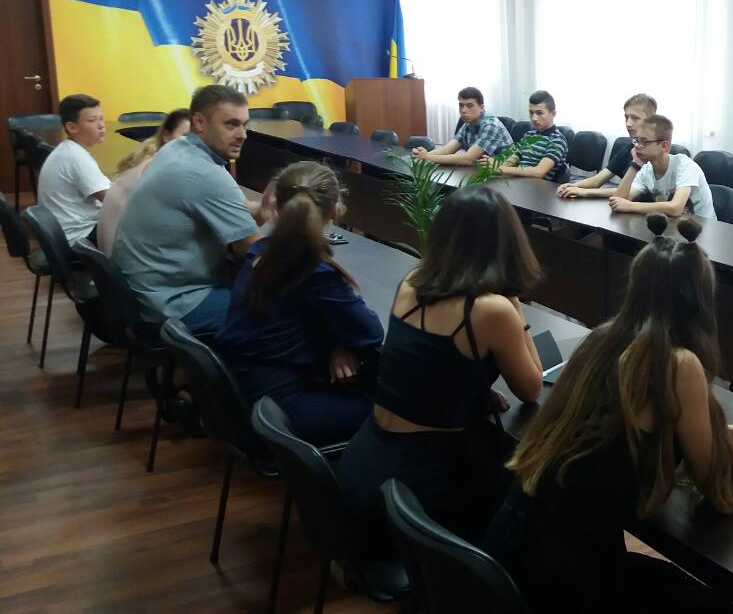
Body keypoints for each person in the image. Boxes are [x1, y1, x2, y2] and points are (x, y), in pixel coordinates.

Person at [485, 214, 733, 614]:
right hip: (564, 586)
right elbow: (718, 479)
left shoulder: (602, 339)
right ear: (699, 300)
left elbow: (631, 433)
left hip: (512, 556)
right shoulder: (677, 362)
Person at [336, 185, 544, 554]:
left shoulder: (413, 281)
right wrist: (513, 301)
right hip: (413, 487)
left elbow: (425, 361)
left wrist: (470, 383)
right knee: (529, 498)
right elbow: (531, 388)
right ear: (506, 243)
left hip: (364, 463)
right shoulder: (491, 309)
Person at [215, 162, 383, 446]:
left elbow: (299, 317)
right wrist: (345, 342)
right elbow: (370, 332)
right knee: (387, 411)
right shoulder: (315, 272)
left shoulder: (262, 251)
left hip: (245, 392)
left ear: (276, 204)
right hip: (280, 409)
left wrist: (338, 344)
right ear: (335, 210)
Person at [113, 85, 269, 334]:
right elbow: (255, 250)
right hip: (171, 304)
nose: (243, 135)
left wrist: (266, 208)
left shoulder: (177, 149)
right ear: (199, 122)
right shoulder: (202, 172)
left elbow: (239, 209)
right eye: (231, 125)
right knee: (282, 310)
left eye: (244, 125)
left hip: (141, 292)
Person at [98, 109, 190, 257]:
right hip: (125, 259)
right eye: (186, 136)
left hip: (111, 255)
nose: (194, 144)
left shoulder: (146, 158)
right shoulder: (161, 168)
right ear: (166, 135)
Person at [610, 115, 717, 220]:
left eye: (644, 141)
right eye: (636, 140)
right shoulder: (646, 169)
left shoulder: (685, 165)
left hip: (703, 227)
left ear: (664, 146)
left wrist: (630, 206)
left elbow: (676, 208)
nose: (637, 146)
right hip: (674, 225)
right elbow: (618, 201)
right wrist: (635, 164)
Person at [37, 94, 110, 245]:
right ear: (71, 127)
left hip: (67, 231)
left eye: (101, 119)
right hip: (79, 237)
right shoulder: (76, 157)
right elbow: (111, 199)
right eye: (92, 120)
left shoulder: (68, 150)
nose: (101, 125)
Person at [556, 93, 656, 198]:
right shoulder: (629, 148)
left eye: (635, 118)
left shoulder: (656, 152)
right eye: (626, 117)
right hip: (623, 205)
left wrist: (585, 192)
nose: (628, 123)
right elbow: (597, 180)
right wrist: (572, 186)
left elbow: (632, 192)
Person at [413, 87, 513, 166]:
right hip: (480, 171)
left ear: (481, 108)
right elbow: (447, 150)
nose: (463, 110)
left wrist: (427, 157)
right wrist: (421, 155)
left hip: (504, 175)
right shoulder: (468, 124)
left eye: (470, 106)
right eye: (461, 105)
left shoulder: (491, 125)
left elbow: (468, 159)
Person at [495, 90, 569, 182]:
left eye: (539, 113)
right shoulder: (529, 135)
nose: (534, 118)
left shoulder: (557, 140)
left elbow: (539, 172)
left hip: (539, 188)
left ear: (553, 114)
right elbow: (511, 160)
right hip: (519, 183)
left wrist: (502, 169)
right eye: (531, 112)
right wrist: (495, 166)